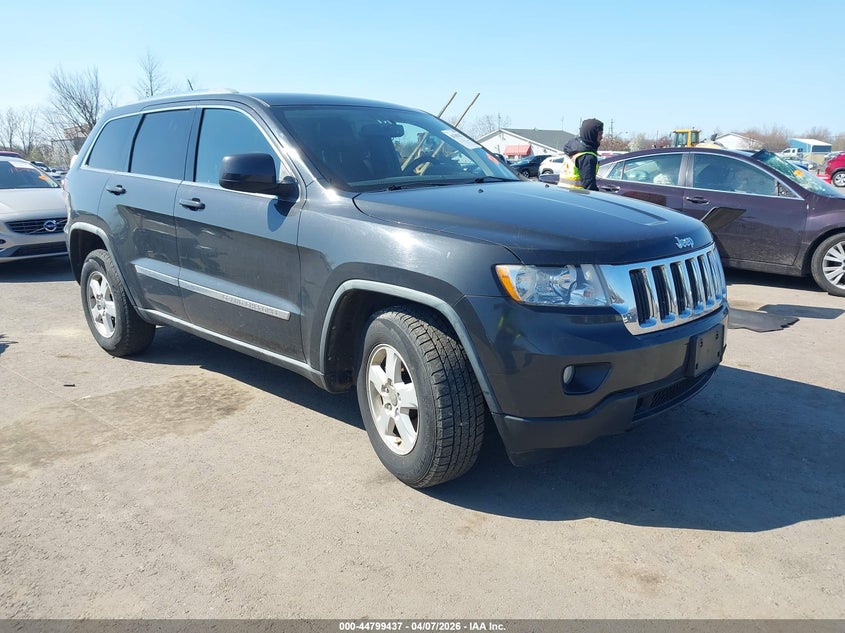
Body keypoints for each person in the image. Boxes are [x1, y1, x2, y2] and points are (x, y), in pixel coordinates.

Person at [558, 118, 604, 190]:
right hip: (577, 195)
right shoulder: (587, 156)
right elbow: (589, 186)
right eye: (600, 134)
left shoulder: (573, 149)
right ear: (592, 134)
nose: (601, 137)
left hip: (563, 192)